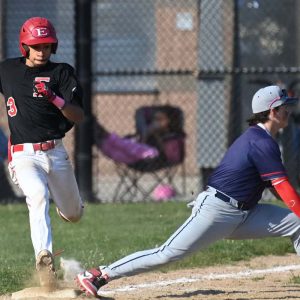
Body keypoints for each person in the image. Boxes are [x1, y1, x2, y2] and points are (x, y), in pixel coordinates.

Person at [76, 85, 300, 298]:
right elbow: (284, 187)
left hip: (246, 213)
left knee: (297, 223)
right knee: (167, 254)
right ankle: (98, 275)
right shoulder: (260, 142)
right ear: (273, 111)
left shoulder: (262, 139)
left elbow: (278, 188)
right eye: (285, 106)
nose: (288, 111)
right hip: (218, 211)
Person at [0, 17, 84, 289]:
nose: (41, 51)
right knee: (37, 195)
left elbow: (79, 116)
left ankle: (65, 207)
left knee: (73, 214)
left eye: (47, 46)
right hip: (23, 154)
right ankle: (43, 259)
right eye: (35, 46)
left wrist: (54, 97)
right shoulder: (8, 71)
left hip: (56, 152)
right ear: (24, 46)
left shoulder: (61, 73)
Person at [94, 105, 185, 169]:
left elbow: (161, 152)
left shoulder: (171, 137)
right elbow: (139, 142)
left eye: (160, 120)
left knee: (117, 145)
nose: (157, 123)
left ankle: (105, 137)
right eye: (155, 120)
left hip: (150, 156)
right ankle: (104, 137)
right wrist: (147, 133)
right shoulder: (146, 131)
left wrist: (153, 133)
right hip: (137, 149)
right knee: (123, 144)